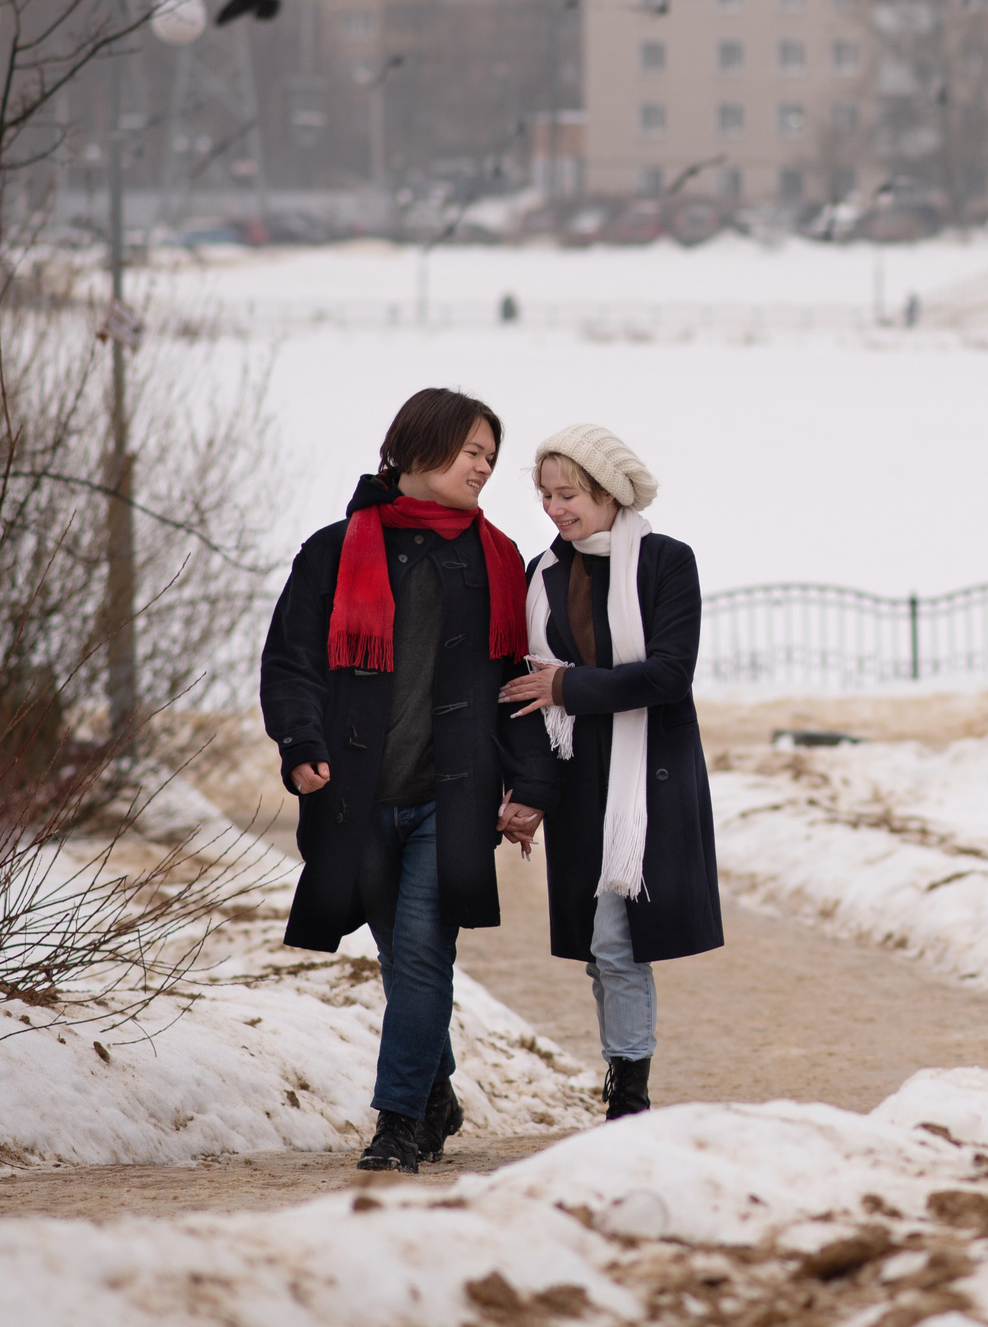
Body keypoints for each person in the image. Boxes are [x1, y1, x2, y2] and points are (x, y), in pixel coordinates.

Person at [260, 387, 534, 1173]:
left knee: (419, 953)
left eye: (490, 454)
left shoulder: (497, 560)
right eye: (471, 449)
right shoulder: (333, 549)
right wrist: (300, 742)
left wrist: (528, 787)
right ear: (418, 449)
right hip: (354, 800)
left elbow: (517, 685)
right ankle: (436, 1089)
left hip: (452, 798)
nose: (484, 464)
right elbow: (291, 663)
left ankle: (399, 1123)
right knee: (402, 961)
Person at [496, 423, 722, 1120]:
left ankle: (629, 1092)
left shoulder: (664, 562)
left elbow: (667, 674)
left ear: (608, 491)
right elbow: (524, 693)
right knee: (604, 948)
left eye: (569, 494)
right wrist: (529, 792)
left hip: (646, 783)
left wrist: (568, 686)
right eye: (546, 494)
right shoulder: (542, 575)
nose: (556, 508)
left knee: (614, 941)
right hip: (579, 785)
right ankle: (625, 1077)